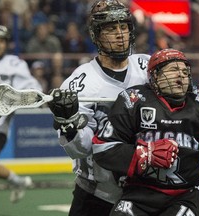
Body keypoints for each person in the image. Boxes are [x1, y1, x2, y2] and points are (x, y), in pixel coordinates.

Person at [92, 48, 199, 216]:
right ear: (155, 76)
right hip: (138, 193)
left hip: (185, 195)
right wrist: (144, 154)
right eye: (173, 69)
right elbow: (102, 148)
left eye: (185, 71)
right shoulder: (133, 99)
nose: (181, 75)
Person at [47, 0, 150, 215]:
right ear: (96, 34)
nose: (120, 34)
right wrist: (69, 125)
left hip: (146, 191)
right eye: (112, 28)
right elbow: (81, 149)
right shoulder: (80, 82)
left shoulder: (148, 68)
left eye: (124, 27)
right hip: (98, 194)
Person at [0, 24, 41, 202]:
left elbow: (34, 89)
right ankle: (17, 181)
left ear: (7, 44)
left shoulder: (15, 65)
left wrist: (17, 99)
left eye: (1, 41)